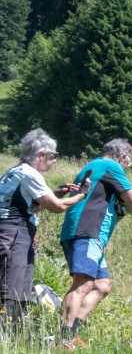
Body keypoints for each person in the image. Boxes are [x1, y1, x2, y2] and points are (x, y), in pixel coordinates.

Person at [0, 130, 90, 336]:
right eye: (54, 155)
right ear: (42, 155)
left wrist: (57, 193)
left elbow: (32, 206)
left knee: (21, 286)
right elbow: (57, 207)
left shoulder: (15, 171)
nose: (55, 161)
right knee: (12, 286)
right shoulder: (28, 173)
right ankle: (5, 337)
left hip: (16, 230)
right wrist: (82, 195)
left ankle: (15, 336)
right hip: (14, 231)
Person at [57, 139, 132, 349]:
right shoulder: (110, 166)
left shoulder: (92, 166)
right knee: (83, 284)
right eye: (127, 162)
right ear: (124, 156)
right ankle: (63, 338)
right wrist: (124, 208)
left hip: (91, 234)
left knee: (102, 286)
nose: (126, 166)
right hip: (87, 230)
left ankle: (75, 331)